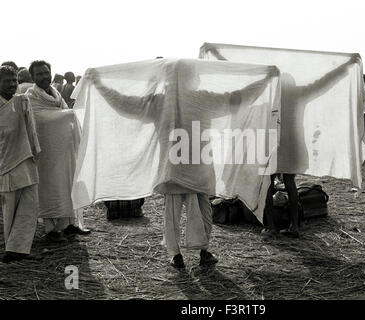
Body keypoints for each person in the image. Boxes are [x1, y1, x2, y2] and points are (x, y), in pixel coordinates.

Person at [86, 61, 277, 268]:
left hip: (183, 166)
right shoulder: (182, 100)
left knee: (177, 213)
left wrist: (100, 85)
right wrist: (264, 81)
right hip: (190, 166)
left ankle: (181, 253)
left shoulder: (166, 101)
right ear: (190, 78)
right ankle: (194, 252)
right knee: (196, 211)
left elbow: (125, 103)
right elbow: (237, 99)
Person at [262, 55, 360, 238]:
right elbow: (322, 83)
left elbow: (245, 85)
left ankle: (272, 227)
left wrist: (221, 58)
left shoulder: (271, 97)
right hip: (293, 143)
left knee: (267, 185)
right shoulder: (299, 94)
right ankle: (294, 226)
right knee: (290, 183)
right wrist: (344, 66)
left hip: (273, 143)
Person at [26, 60, 90, 243]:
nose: (44, 76)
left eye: (46, 72)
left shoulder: (55, 93)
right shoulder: (30, 97)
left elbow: (62, 112)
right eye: (39, 74)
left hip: (64, 150)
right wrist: (70, 115)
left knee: (68, 184)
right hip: (46, 152)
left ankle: (70, 224)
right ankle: (52, 230)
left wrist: (68, 115)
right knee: (51, 188)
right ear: (33, 77)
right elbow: (41, 119)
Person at [0, 66, 41, 263]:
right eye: (7, 81)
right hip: (5, 163)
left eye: (14, 81)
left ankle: (21, 248)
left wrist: (35, 150)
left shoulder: (22, 101)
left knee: (29, 204)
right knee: (10, 207)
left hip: (25, 157)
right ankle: (11, 248)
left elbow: (31, 128)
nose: (12, 84)